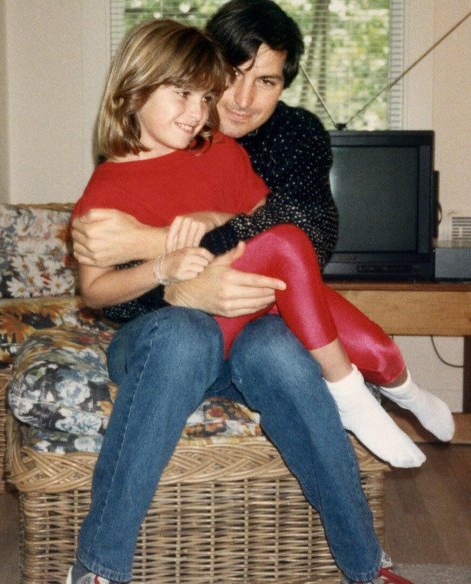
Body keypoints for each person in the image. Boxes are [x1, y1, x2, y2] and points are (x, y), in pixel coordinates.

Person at [66, 2, 430, 583]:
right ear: (135, 94)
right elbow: (99, 293)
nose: (214, 107)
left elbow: (294, 236)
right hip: (164, 342)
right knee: (185, 332)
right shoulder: (110, 180)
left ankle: (368, 567)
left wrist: (184, 233)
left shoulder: (241, 151)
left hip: (245, 336)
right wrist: (169, 273)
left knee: (281, 352)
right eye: (209, 87)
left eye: (262, 81)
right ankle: (98, 567)